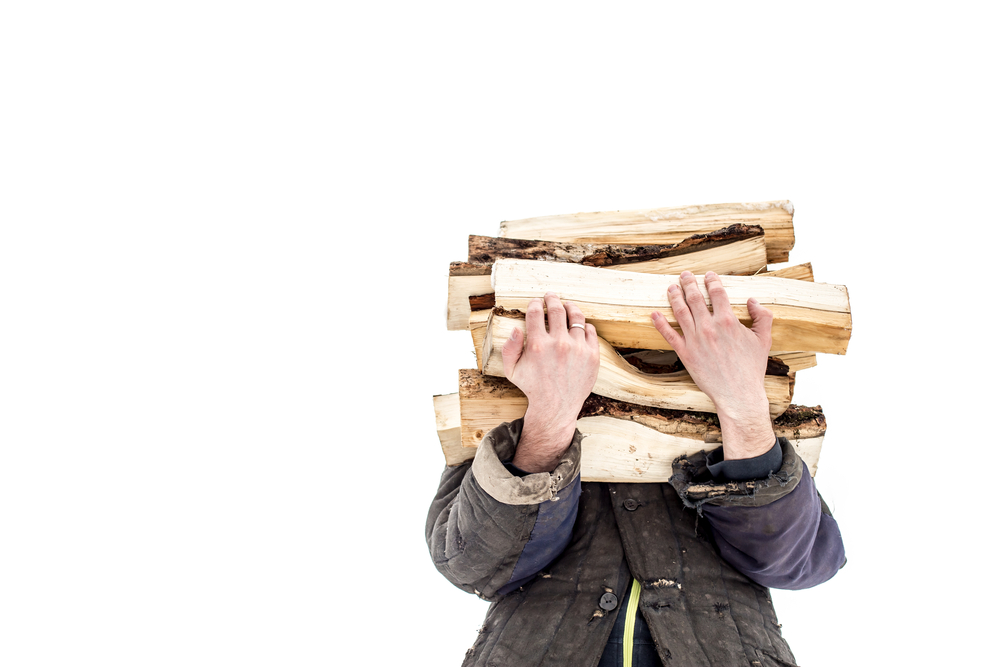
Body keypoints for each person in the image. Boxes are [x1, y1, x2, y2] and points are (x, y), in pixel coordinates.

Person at [426, 271, 846, 667]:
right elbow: (471, 565)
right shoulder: (501, 420)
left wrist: (743, 405)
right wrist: (549, 417)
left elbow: (800, 562)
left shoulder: (750, 420)